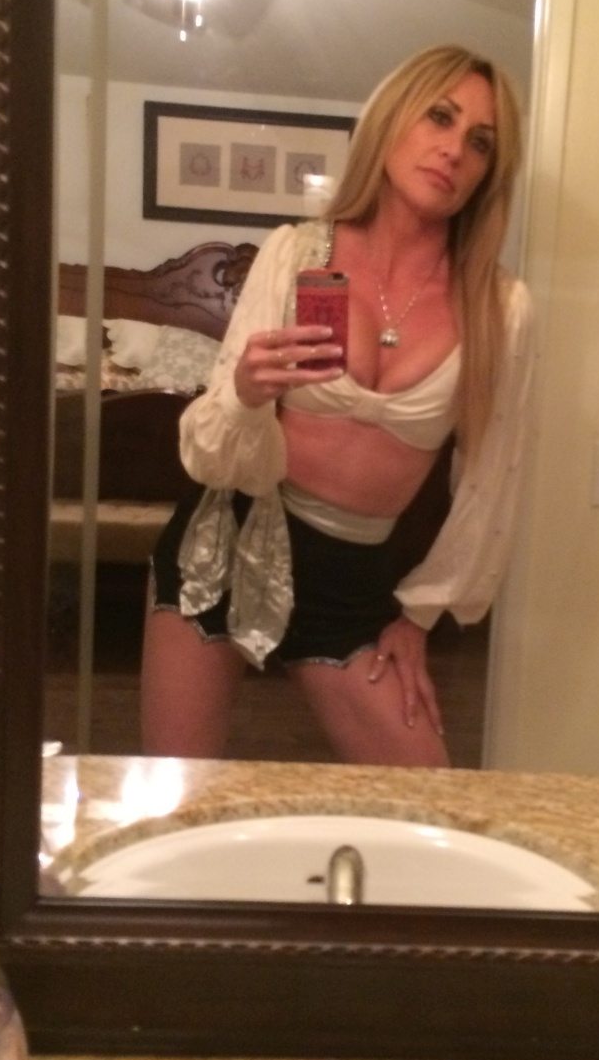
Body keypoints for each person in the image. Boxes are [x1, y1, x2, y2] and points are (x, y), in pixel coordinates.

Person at [140, 44, 534, 766]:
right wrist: (246, 392)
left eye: (480, 142)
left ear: (489, 172)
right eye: (439, 117)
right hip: (223, 538)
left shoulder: (499, 308)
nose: (454, 150)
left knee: (425, 805)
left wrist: (419, 614)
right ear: (391, 120)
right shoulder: (295, 254)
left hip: (352, 580)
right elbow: (209, 449)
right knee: (174, 792)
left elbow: (492, 481)